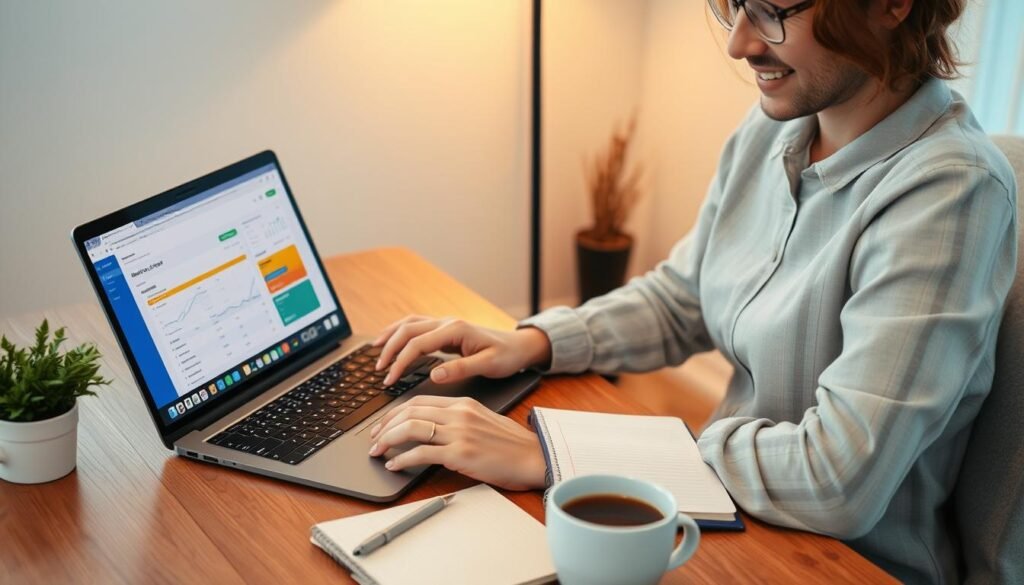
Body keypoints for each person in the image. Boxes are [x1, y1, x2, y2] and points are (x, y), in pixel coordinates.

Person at [365, 0, 1018, 582]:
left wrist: (559, 457)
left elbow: (836, 479)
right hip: (720, 508)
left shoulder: (949, 192)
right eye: (733, 3)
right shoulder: (776, 127)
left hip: (835, 561)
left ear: (892, 5)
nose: (739, 43)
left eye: (773, 11)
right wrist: (530, 341)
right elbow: (684, 297)